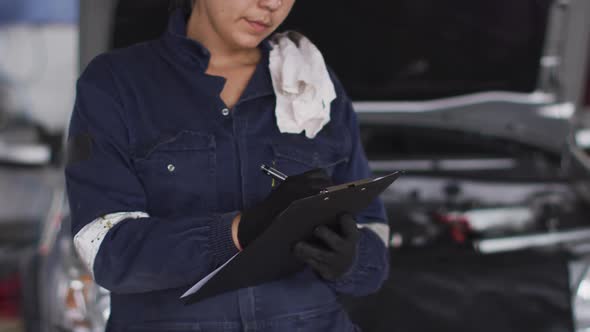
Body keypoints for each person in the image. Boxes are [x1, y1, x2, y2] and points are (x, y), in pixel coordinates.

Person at [64, 0, 390, 331]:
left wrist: (351, 259)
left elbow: (373, 247)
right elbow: (109, 253)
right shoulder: (118, 83)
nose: (272, 3)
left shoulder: (313, 85)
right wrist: (238, 231)